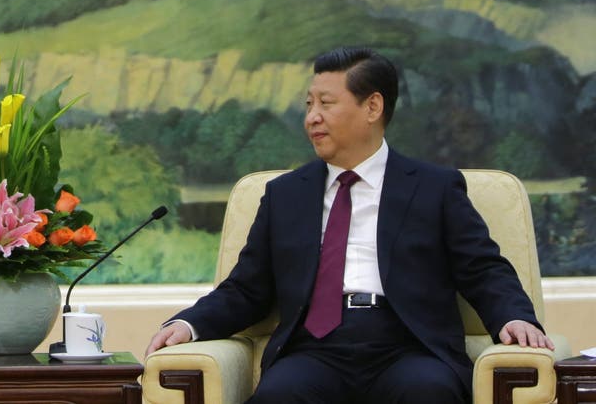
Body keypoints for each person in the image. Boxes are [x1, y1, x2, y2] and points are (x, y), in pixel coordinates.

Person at [146, 47, 553, 404]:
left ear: (372, 107)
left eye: (326, 103)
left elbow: (482, 269)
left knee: (429, 390)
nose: (312, 118)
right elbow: (246, 288)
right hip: (315, 349)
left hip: (408, 346)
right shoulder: (285, 194)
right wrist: (188, 322)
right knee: (278, 394)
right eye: (309, 105)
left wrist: (514, 318)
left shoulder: (434, 187)